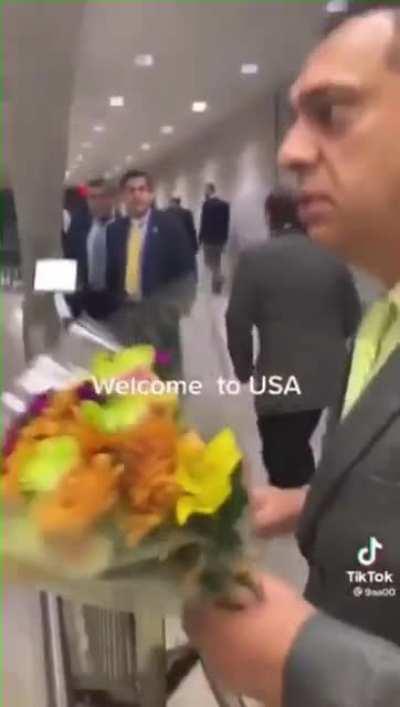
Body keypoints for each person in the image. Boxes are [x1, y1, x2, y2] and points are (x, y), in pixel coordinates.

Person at [185, 7, 400, 707]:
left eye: (332, 112)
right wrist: (311, 502)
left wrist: (301, 657)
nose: (291, 153)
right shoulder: (381, 315)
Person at [226, 188, 360, 487]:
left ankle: (299, 515)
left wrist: (243, 368)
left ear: (269, 216)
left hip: (281, 381)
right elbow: (353, 318)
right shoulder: (332, 256)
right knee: (304, 447)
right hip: (331, 376)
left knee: (283, 461)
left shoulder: (254, 259)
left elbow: (237, 320)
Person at [105, 169, 196, 372]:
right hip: (126, 319)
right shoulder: (114, 231)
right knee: (131, 372)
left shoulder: (170, 226)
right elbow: (111, 275)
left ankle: (170, 400)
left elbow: (186, 272)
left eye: (142, 189)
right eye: (130, 190)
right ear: (123, 196)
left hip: (160, 318)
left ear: (151, 194)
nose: (137, 195)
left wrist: (173, 310)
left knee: (163, 367)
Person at [62, 177, 116, 320]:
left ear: (112, 198)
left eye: (102, 196)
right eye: (92, 197)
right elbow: (69, 259)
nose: (98, 202)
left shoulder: (125, 227)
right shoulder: (78, 226)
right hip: (84, 301)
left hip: (116, 304)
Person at [199, 183, 230, 293]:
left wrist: (200, 239)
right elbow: (226, 223)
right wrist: (225, 239)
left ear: (210, 190)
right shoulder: (225, 205)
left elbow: (204, 223)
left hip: (209, 239)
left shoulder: (207, 205)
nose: (204, 192)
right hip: (220, 239)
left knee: (209, 263)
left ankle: (220, 277)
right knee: (217, 263)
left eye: (205, 190)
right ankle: (216, 290)